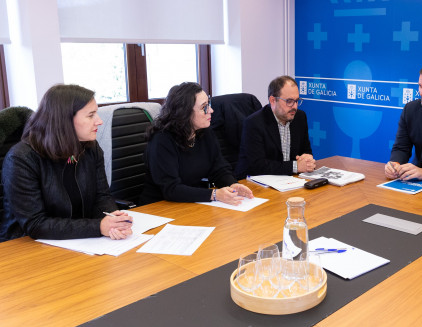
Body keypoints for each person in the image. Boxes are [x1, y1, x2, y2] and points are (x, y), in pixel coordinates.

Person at [1, 84, 133, 242]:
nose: (99, 121)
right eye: (91, 115)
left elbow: (102, 196)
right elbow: (35, 224)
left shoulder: (90, 147)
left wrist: (113, 219)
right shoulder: (21, 158)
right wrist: (98, 227)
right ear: (65, 120)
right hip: (24, 246)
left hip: (77, 240)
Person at [139, 82, 253, 205]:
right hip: (159, 207)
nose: (211, 110)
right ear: (185, 113)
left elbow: (219, 169)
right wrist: (214, 195)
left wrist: (232, 184)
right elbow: (171, 189)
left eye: (208, 104)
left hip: (191, 203)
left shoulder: (204, 132)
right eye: (204, 107)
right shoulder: (161, 140)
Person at [235, 75, 315, 178]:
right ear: (273, 100)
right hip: (256, 183)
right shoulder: (254, 123)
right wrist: (295, 166)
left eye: (297, 101)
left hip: (289, 181)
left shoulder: (300, 117)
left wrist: (307, 158)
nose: (294, 106)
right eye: (289, 101)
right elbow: (257, 166)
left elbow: (305, 149)